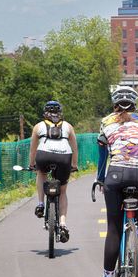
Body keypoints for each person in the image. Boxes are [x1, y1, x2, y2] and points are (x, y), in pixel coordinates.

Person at [96, 86, 138, 277]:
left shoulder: (106, 122)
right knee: (135, 200)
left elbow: (103, 156)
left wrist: (99, 179)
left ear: (114, 104)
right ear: (135, 104)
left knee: (113, 227)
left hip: (117, 173)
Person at [29, 100, 78, 243]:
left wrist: (32, 164)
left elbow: (33, 148)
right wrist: (74, 165)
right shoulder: (68, 126)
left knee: (41, 173)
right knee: (62, 191)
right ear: (60, 113)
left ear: (45, 113)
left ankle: (40, 204)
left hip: (43, 155)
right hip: (64, 157)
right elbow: (74, 148)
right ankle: (63, 224)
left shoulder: (38, 126)